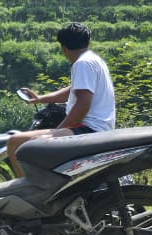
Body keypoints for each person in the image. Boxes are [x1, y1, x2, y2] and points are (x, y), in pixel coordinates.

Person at [7, 22, 116, 176]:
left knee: (21, 145)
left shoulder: (82, 64)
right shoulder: (94, 60)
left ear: (64, 48)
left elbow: (82, 105)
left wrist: (57, 132)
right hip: (97, 128)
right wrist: (40, 99)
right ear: (88, 42)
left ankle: (33, 190)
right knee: (17, 141)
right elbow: (74, 91)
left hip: (87, 130)